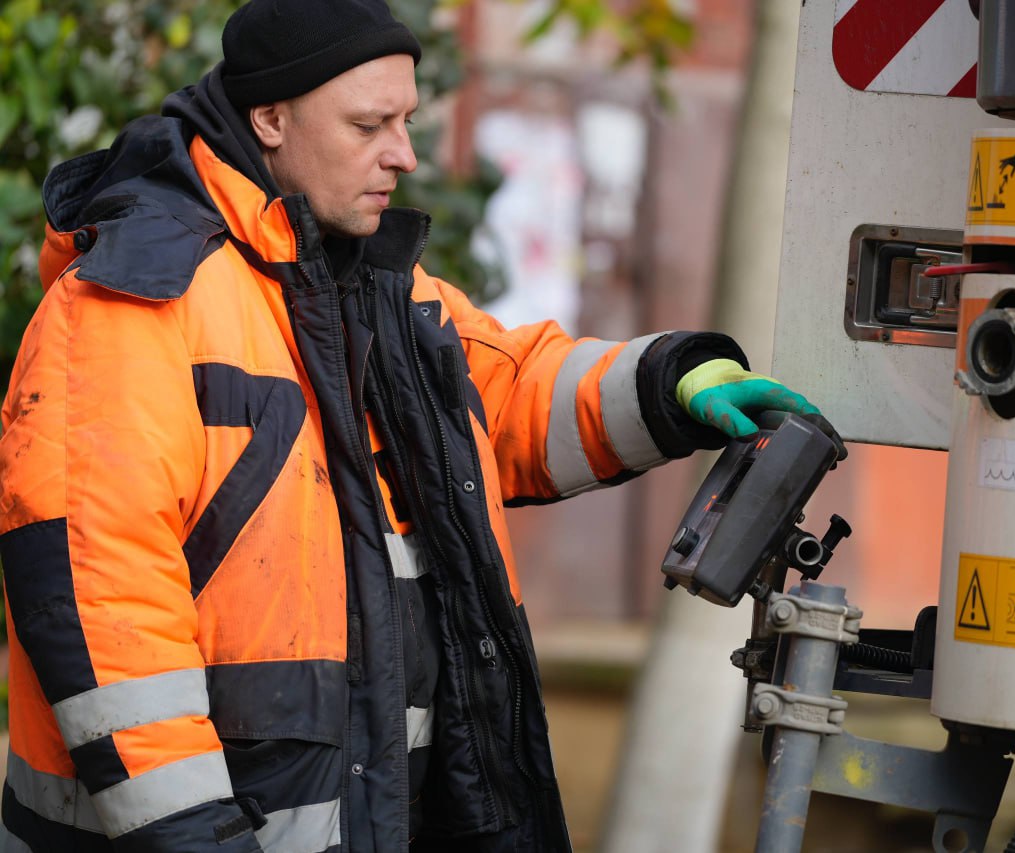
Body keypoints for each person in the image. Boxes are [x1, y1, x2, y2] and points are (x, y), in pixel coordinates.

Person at [0, 1, 826, 850]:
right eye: (369, 124)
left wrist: (670, 382)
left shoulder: (359, 280)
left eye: (406, 119)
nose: (404, 153)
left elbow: (506, 392)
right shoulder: (133, 303)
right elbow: (105, 614)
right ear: (271, 118)